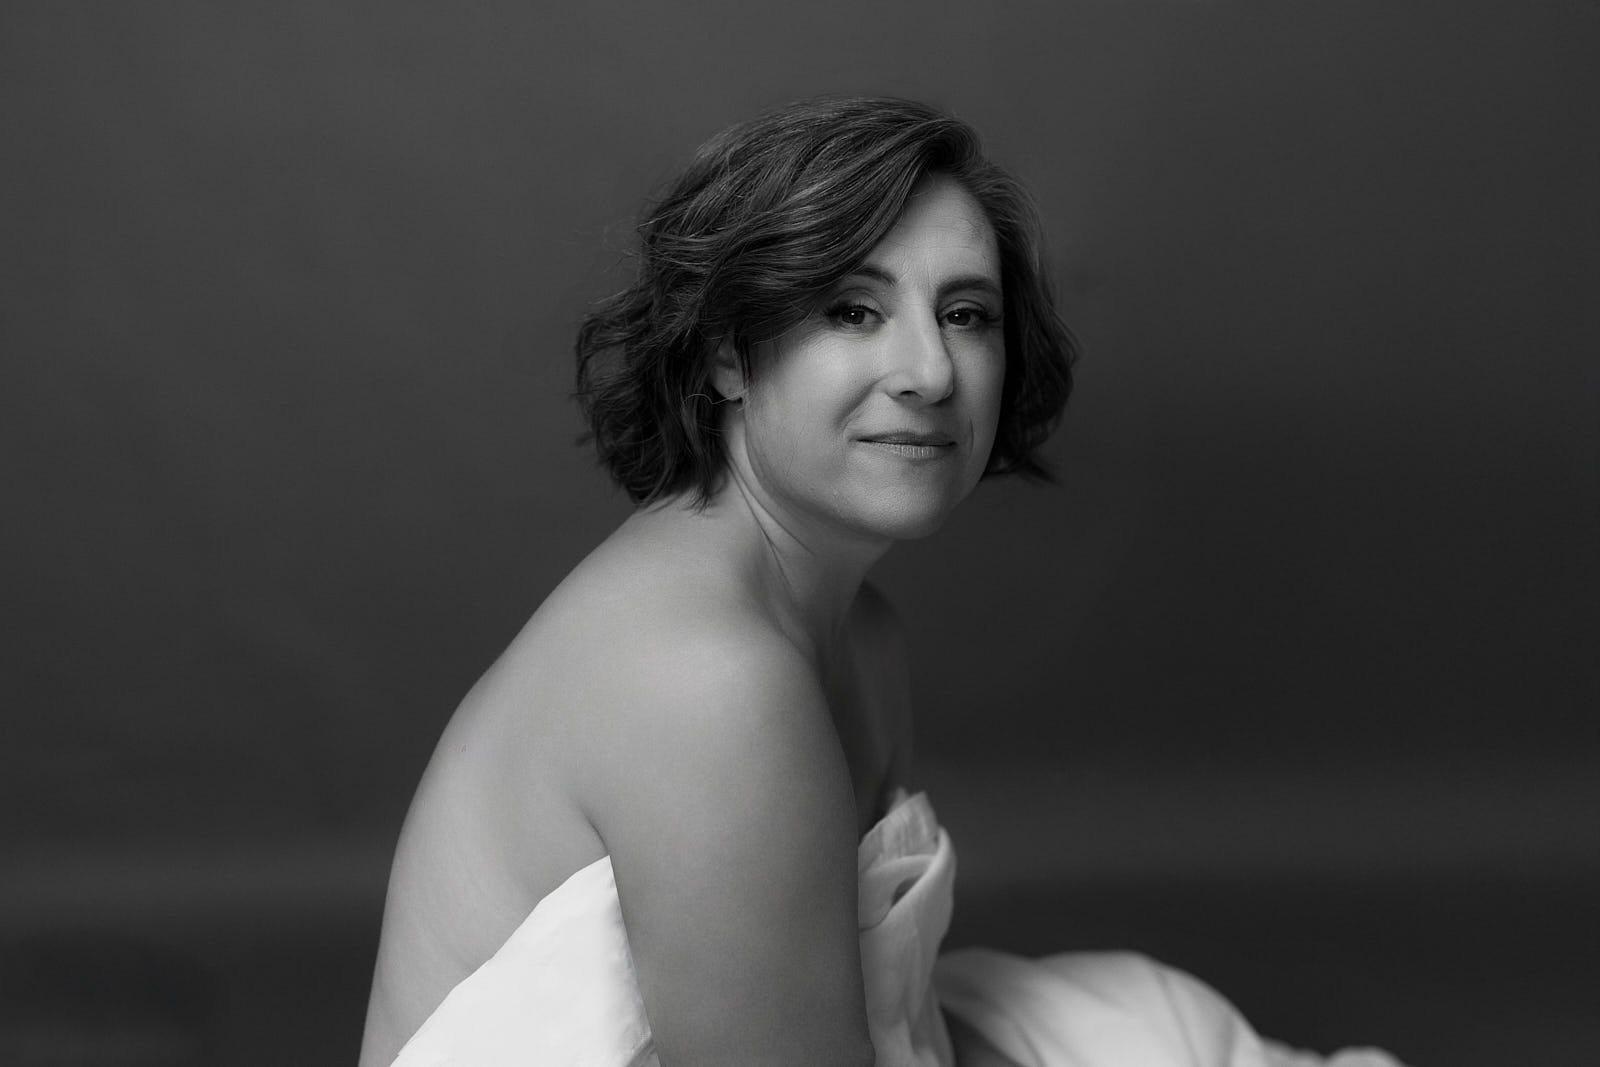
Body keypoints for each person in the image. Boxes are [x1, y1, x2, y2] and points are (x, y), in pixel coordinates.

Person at [359, 97, 1405, 1067]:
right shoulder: (707, 680)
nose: (931, 372)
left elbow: (869, 1000)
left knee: (1144, 1018)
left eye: (965, 313)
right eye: (854, 311)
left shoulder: (860, 629)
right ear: (727, 356)